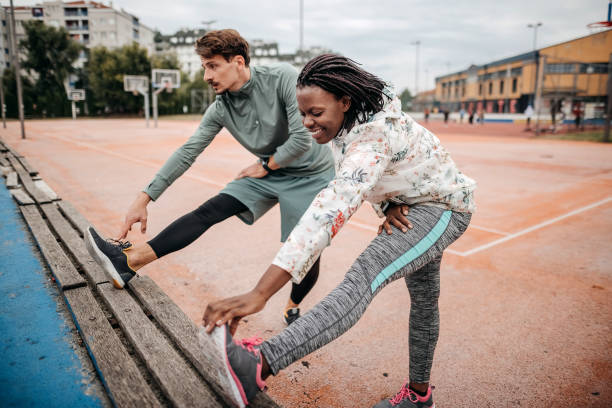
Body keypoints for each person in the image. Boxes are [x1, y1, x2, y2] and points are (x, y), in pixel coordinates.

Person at [202, 54, 476, 407]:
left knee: (364, 274)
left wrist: (260, 293)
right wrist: (387, 203)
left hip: (443, 208)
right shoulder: (354, 122)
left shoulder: (372, 136)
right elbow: (387, 168)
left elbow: (331, 207)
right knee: (424, 303)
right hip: (415, 202)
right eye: (303, 113)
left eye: (315, 113)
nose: (306, 122)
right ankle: (420, 397)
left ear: (344, 101)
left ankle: (261, 363)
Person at [85, 29, 335, 325]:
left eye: (212, 65)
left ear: (238, 62)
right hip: (268, 169)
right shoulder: (221, 109)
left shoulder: (281, 76)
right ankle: (128, 262)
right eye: (204, 67)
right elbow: (187, 152)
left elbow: (302, 138)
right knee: (211, 210)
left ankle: (293, 304)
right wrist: (144, 198)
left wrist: (266, 166)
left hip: (312, 174)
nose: (206, 75)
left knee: (308, 250)